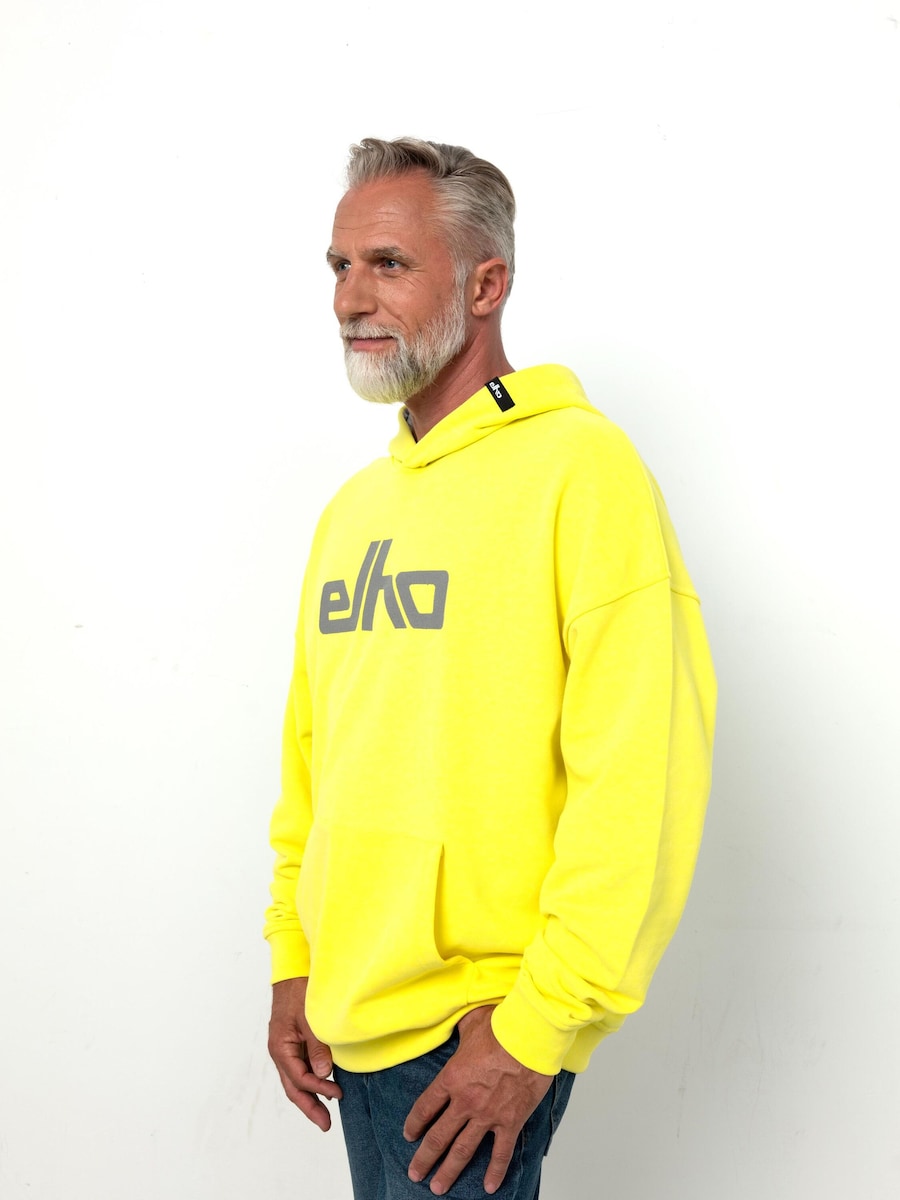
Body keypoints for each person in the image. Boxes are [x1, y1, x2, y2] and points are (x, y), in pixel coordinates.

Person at [264, 137, 716, 1200]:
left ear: (485, 284)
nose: (350, 299)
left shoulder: (583, 472)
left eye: (388, 263)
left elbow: (639, 777)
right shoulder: (354, 513)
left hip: (474, 1033)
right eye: (339, 266)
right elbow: (314, 760)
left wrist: (536, 1030)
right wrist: (294, 956)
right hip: (346, 1019)